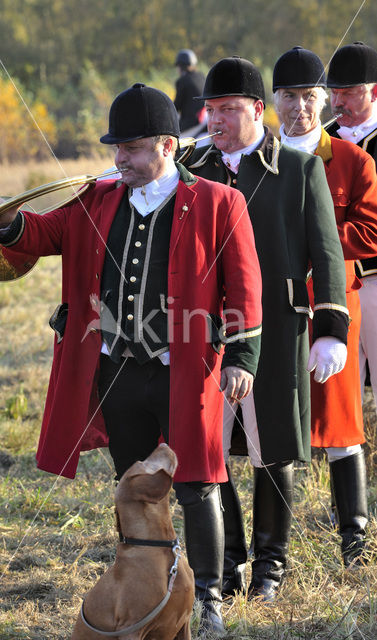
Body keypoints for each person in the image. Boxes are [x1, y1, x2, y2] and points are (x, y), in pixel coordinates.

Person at [0, 82, 263, 633]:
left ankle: (209, 599)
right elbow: (43, 231)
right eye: (116, 148)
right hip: (118, 372)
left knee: (199, 483)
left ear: (166, 146)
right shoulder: (98, 198)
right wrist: (7, 222)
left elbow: (244, 286)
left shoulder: (218, 203)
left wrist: (242, 356)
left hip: (187, 370)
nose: (118, 159)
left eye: (130, 148)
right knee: (133, 484)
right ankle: (143, 583)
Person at [180, 56, 349, 602]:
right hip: (206, 331)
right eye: (211, 110)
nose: (218, 120)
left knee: (271, 446)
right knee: (211, 449)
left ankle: (270, 567)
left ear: (258, 109)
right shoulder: (190, 169)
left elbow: (326, 254)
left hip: (277, 328)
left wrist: (330, 329)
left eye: (229, 109)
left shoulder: (299, 170)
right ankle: (227, 562)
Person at [273, 46, 377, 566]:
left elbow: (372, 228)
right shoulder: (258, 161)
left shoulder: (353, 160)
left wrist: (317, 241)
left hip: (337, 301)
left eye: (309, 96)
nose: (300, 107)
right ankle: (275, 550)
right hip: (276, 307)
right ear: (272, 102)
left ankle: (355, 542)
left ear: (323, 100)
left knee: (340, 420)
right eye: (289, 97)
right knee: (277, 422)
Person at [326, 42, 377, 415]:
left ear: (374, 91)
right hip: (335, 281)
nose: (338, 101)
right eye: (333, 92)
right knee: (340, 394)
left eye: (348, 92)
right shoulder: (322, 140)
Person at [174, 48, 206, 134]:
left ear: (180, 66)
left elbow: (177, 106)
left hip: (192, 121)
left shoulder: (182, 81)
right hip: (205, 115)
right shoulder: (201, 76)